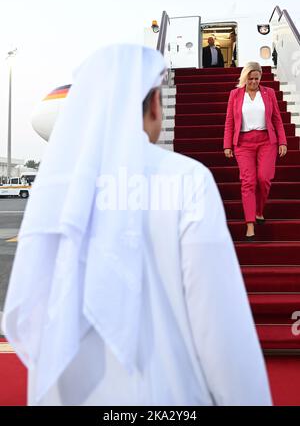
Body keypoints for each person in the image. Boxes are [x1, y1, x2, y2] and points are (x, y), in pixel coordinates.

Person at [2, 45, 272, 406]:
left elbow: (30, 313)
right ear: (154, 107)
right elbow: (220, 327)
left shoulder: (55, 191)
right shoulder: (187, 179)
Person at [223, 62, 287, 239]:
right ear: (245, 78)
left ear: (260, 78)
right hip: (243, 143)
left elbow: (277, 119)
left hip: (267, 141)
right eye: (250, 78)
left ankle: (259, 211)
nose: (253, 82)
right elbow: (229, 121)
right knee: (248, 182)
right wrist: (227, 145)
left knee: (264, 178)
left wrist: (283, 141)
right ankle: (250, 224)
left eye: (256, 78)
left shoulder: (269, 93)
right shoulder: (235, 94)